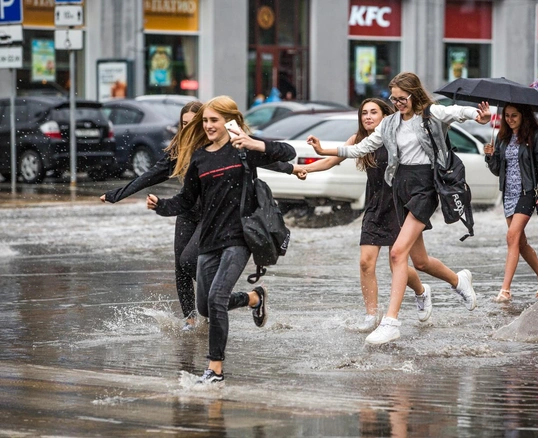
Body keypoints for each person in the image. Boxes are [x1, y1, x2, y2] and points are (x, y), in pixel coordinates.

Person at [308, 72, 490, 345]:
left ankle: (391, 321)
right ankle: (459, 281)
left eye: (401, 98)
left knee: (397, 253)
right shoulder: (390, 122)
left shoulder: (432, 114)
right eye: (393, 98)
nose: (397, 103)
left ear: (414, 94)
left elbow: (457, 112)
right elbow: (363, 147)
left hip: (425, 187)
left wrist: (478, 115)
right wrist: (327, 151)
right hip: (400, 187)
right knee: (421, 261)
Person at [100, 101, 292, 331]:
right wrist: (117, 194)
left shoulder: (219, 146)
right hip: (187, 210)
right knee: (180, 266)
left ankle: (224, 302)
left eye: (195, 124)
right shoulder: (181, 150)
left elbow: (256, 156)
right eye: (184, 125)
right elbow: (150, 175)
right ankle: (191, 319)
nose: (190, 129)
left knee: (190, 261)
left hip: (214, 215)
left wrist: (293, 169)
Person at [146, 96, 296, 384]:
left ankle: (215, 369)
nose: (208, 125)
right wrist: (161, 206)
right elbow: (187, 200)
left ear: (230, 121)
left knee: (216, 299)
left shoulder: (243, 150)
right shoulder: (200, 157)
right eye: (205, 121)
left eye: (214, 120)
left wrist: (256, 143)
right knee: (205, 307)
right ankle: (254, 298)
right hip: (209, 240)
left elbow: (287, 152)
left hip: (239, 238)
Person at [298, 98, 429, 332]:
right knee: (366, 262)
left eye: (373, 112)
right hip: (375, 204)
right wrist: (305, 168)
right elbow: (331, 161)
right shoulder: (358, 140)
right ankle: (371, 315)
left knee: (399, 264)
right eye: (364, 113)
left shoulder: (396, 134)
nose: (367, 117)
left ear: (384, 116)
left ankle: (421, 291)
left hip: (401, 205)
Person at [483, 103, 538, 303]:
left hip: (526, 192)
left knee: (511, 237)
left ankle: (505, 289)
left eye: (514, 115)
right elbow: (497, 169)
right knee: (520, 243)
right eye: (507, 115)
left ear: (523, 116)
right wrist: (489, 157)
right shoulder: (502, 137)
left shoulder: (534, 136)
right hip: (508, 194)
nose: (510, 119)